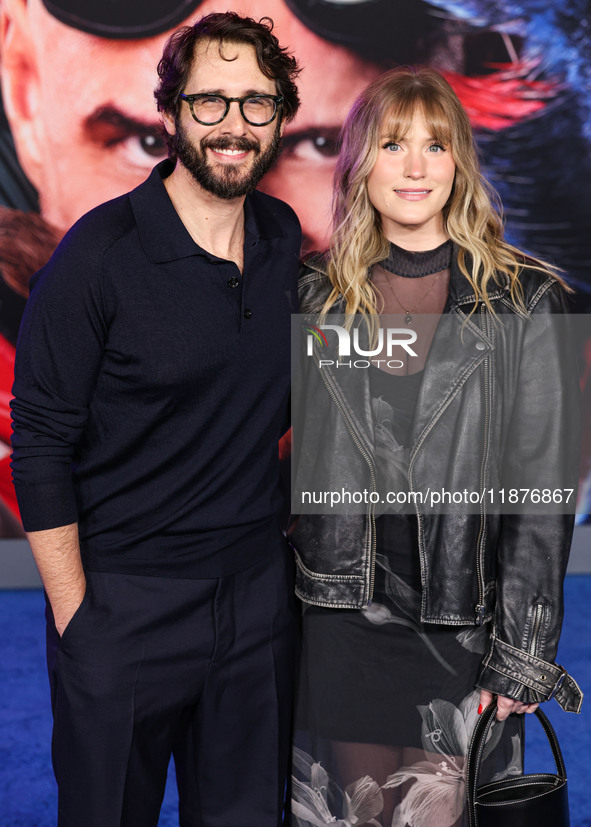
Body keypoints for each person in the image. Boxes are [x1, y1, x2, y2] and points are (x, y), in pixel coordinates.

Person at [10, 12, 302, 826]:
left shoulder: (283, 241)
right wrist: (81, 621)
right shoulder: (96, 259)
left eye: (255, 102)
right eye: (210, 102)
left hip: (254, 605)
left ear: (280, 115)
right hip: (123, 604)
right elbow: (37, 443)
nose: (233, 125)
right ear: (171, 113)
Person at [289, 67, 583, 827]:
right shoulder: (312, 295)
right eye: (393, 144)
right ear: (360, 161)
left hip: (462, 620)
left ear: (459, 164)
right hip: (338, 616)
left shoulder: (529, 299)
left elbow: (541, 494)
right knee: (351, 816)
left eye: (436, 145)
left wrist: (523, 648)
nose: (415, 166)